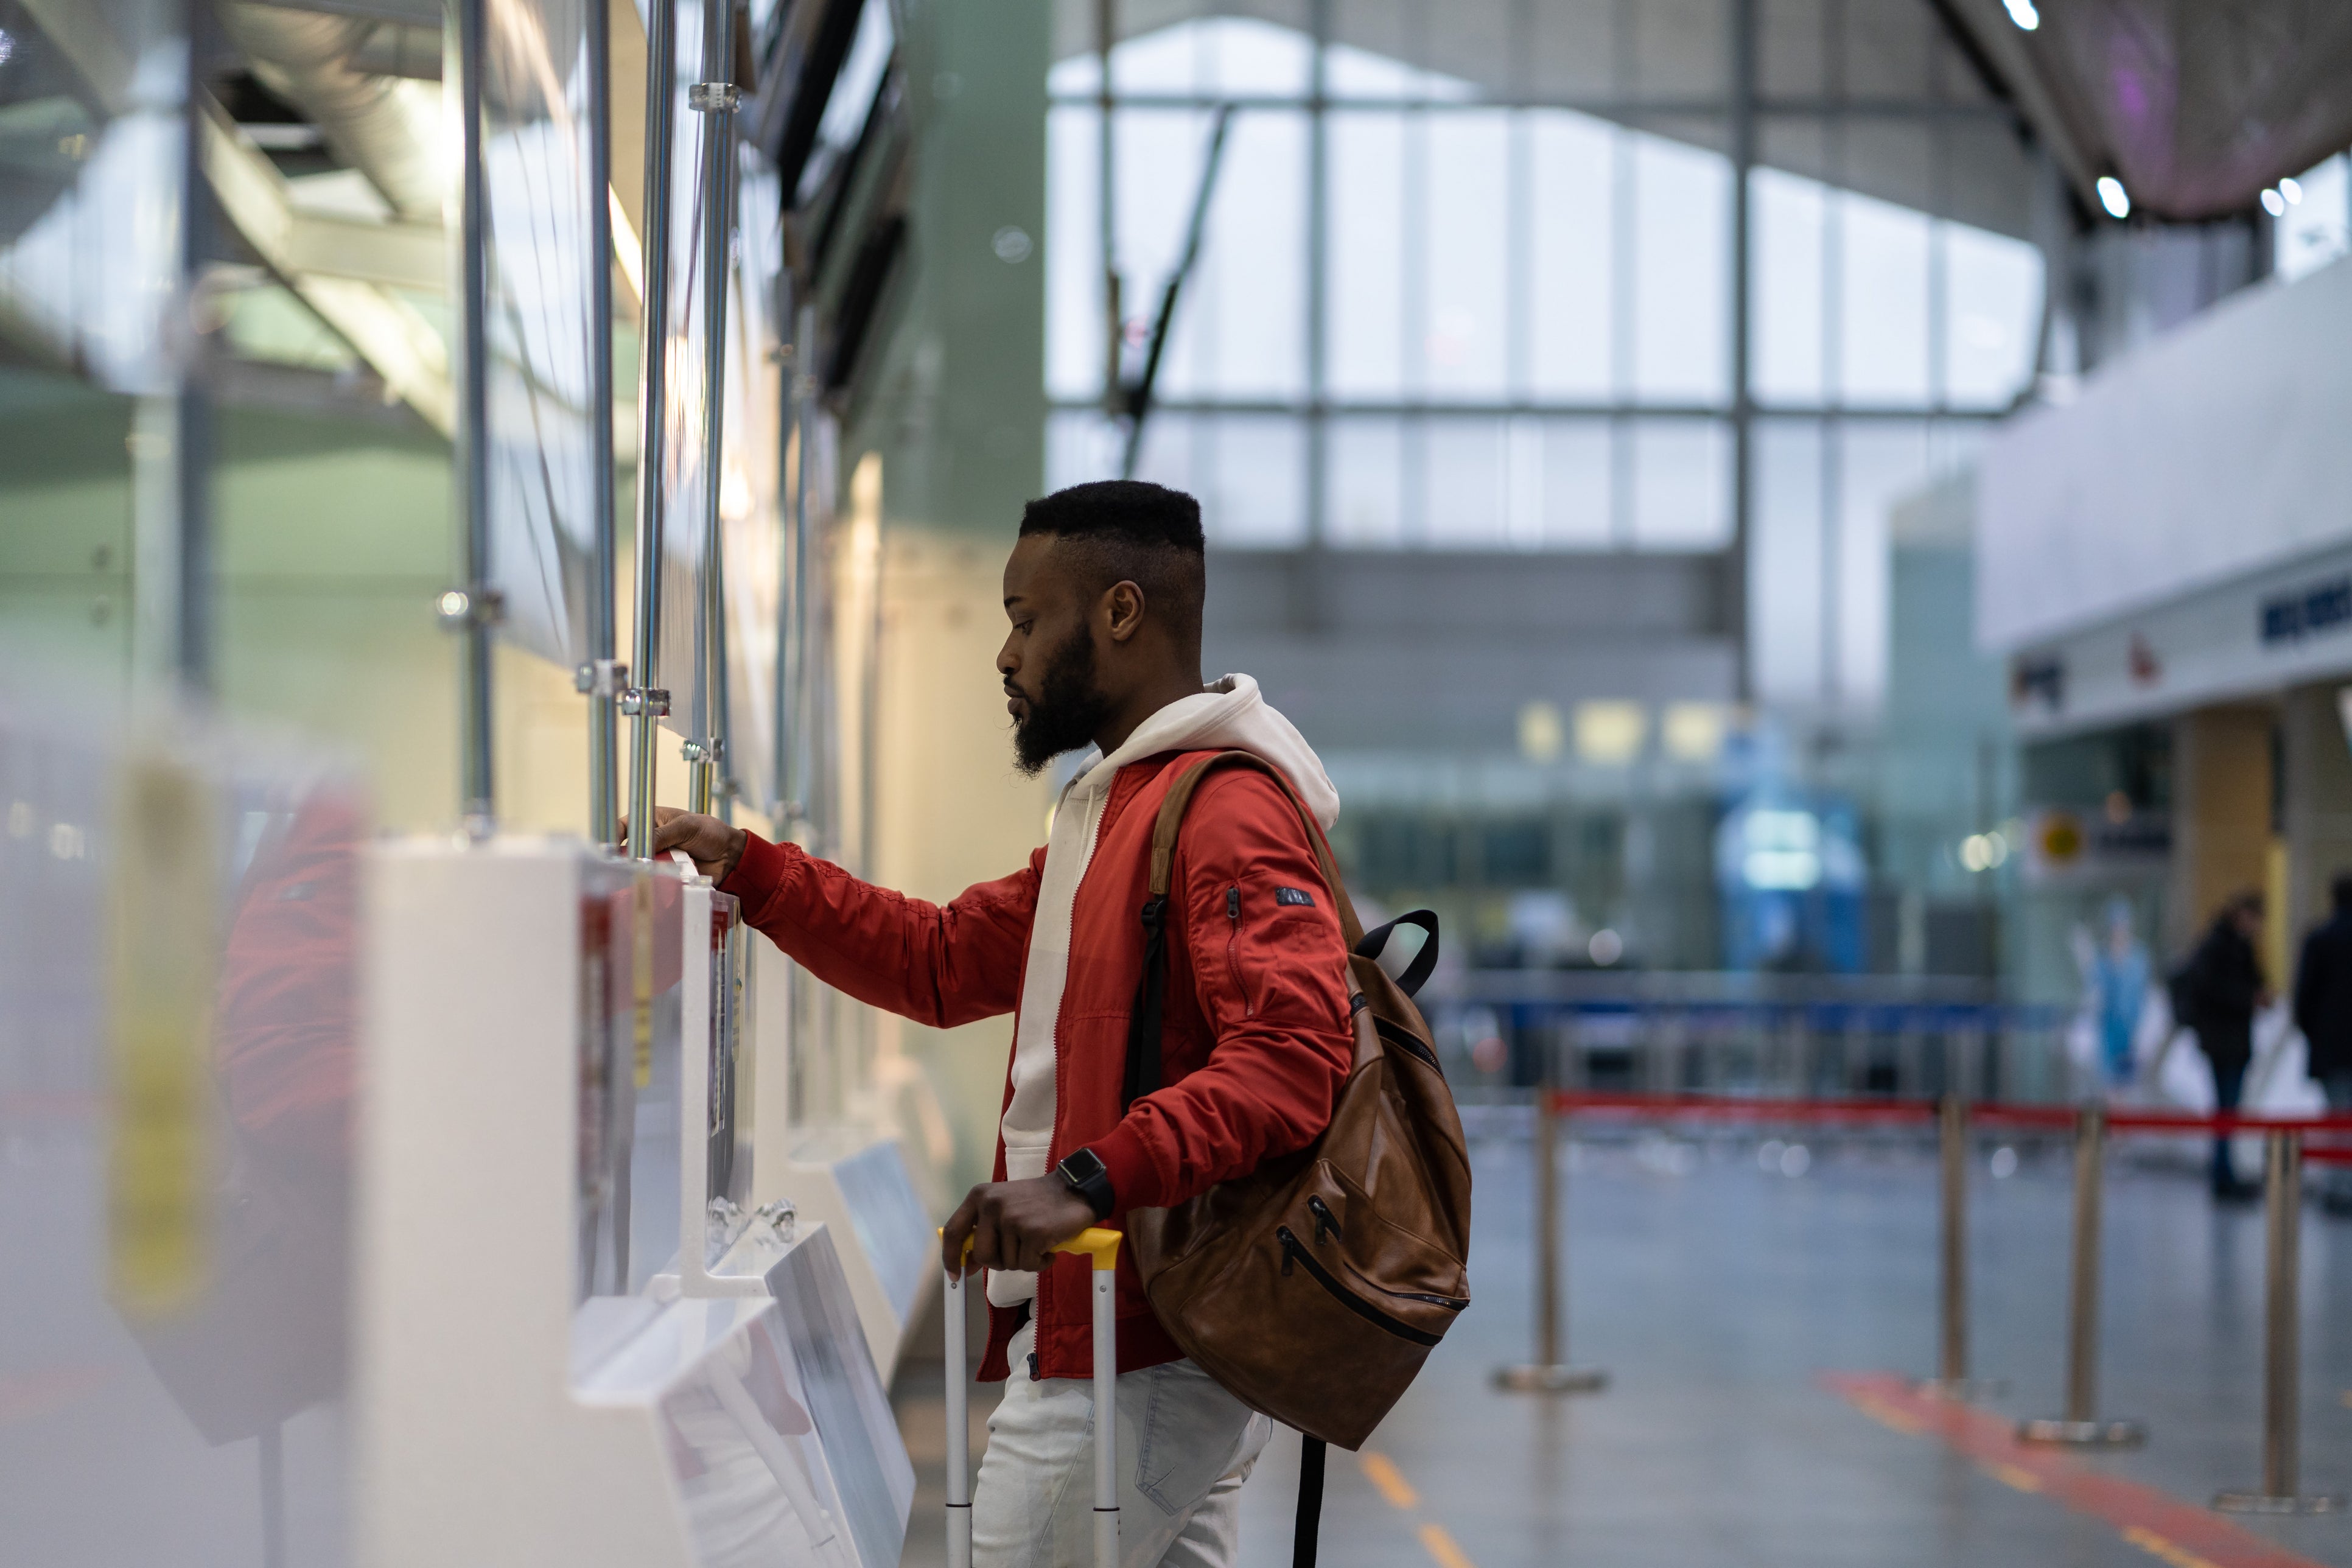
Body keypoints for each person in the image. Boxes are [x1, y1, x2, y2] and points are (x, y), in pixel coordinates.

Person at [648, 480, 1354, 1568]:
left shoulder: (1224, 812)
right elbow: (936, 959)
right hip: (1121, 1331)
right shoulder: (1119, 815)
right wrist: (752, 870)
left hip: (1142, 1343)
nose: (1004, 653)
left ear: (1118, 613)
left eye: (1027, 619)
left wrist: (1079, 1181)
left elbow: (1291, 1058)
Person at [2179, 891, 2270, 1200]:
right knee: (2225, 1111)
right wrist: (2247, 998)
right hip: (2223, 1042)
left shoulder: (2240, 947)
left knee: (2229, 1111)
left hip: (2235, 1040)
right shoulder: (2218, 946)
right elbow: (2211, 989)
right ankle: (2222, 1176)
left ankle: (2226, 1173)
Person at [2291, 873, 2352, 1214]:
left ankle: (2338, 1189)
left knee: (2335, 1117)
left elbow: (2304, 998)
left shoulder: (2320, 938)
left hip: (2331, 1046)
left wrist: (2314, 1033)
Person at [2088, 898, 2151, 1088]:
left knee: (2129, 1083)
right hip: (2108, 1029)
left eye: (2123, 925)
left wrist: (2143, 1031)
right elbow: (2095, 992)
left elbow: (2144, 995)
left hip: (2132, 1029)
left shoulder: (2139, 957)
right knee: (2110, 1082)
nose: (2120, 930)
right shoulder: (2102, 958)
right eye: (2116, 926)